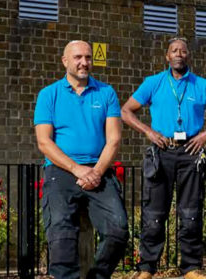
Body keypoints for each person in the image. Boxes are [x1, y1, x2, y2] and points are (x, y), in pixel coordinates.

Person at [122, 37, 206, 279]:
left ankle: (191, 267)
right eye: (174, 50)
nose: (179, 54)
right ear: (167, 56)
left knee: (191, 211)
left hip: (191, 152)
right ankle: (146, 269)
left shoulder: (202, 85)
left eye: (183, 51)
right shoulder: (153, 83)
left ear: (188, 56)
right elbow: (126, 110)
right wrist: (149, 132)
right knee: (153, 213)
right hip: (161, 151)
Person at [34, 40, 128, 279]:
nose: (84, 62)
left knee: (118, 229)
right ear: (65, 61)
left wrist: (95, 172)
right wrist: (77, 169)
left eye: (87, 57)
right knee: (61, 231)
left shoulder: (106, 93)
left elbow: (114, 140)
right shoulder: (48, 95)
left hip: (99, 170)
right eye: (77, 57)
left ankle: (97, 276)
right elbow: (44, 142)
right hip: (61, 170)